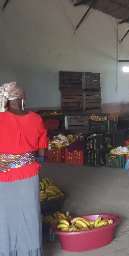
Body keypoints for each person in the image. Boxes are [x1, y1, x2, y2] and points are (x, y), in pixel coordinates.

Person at [0, 82, 48, 255]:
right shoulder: (36, 118)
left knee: (4, 216)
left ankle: (7, 250)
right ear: (21, 99)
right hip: (28, 173)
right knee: (29, 214)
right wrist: (39, 159)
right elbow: (42, 144)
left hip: (3, 175)